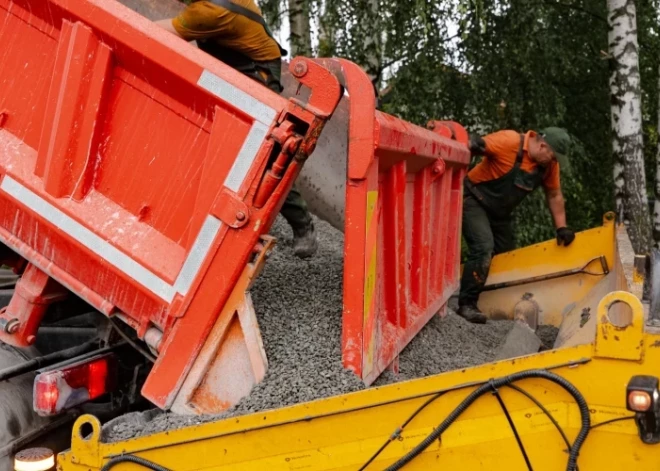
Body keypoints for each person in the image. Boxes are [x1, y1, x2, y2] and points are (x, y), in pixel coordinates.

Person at [155, 0, 317, 258]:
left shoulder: (209, 13)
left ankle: (301, 226)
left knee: (266, 157)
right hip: (239, 70)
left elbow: (159, 33)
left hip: (257, 74)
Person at [458, 127, 575, 324]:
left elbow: (554, 195)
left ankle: (494, 302)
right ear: (543, 145)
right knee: (483, 247)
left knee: (507, 256)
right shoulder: (509, 141)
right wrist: (474, 144)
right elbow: (474, 144)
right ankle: (466, 304)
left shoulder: (548, 167)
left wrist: (561, 227)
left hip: (499, 212)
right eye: (553, 157)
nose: (554, 162)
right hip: (473, 199)